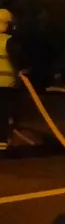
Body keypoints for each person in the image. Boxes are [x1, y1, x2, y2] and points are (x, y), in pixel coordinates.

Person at [0, 9, 16, 153]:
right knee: (4, 113)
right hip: (6, 84)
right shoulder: (9, 42)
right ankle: (3, 141)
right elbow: (18, 60)